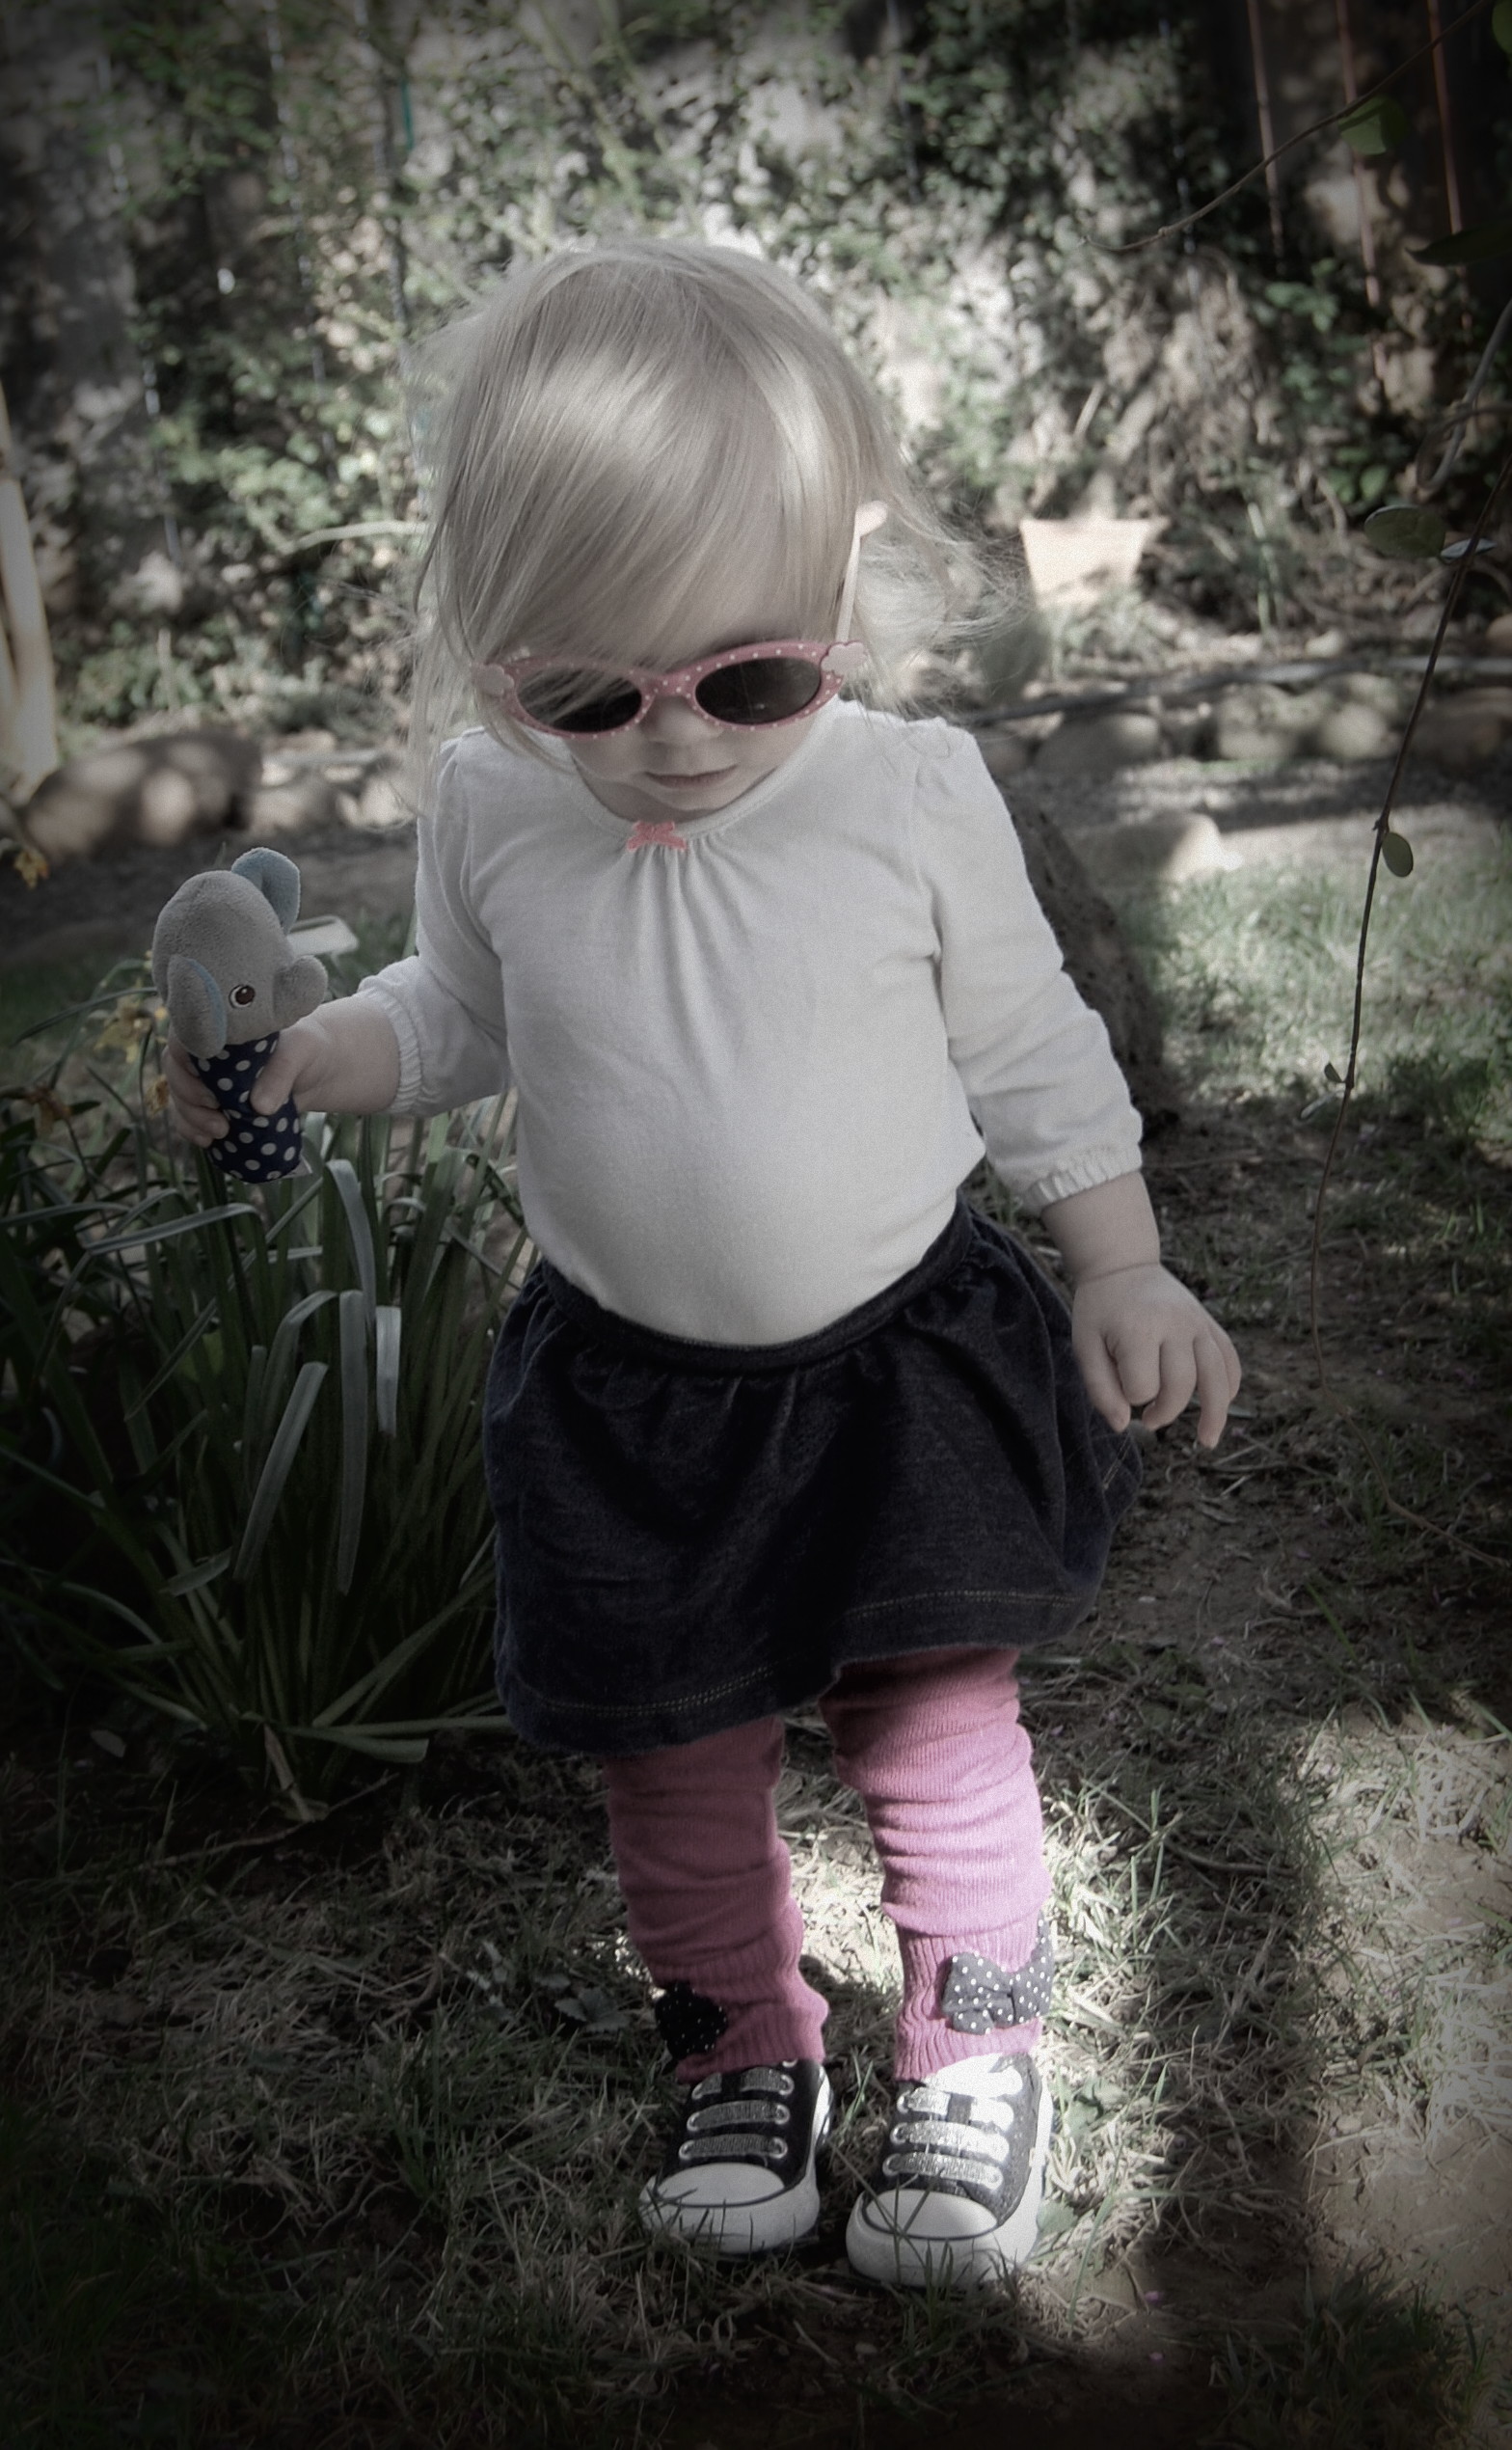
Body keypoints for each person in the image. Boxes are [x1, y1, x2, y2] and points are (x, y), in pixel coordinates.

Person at [166, 237, 1239, 2289]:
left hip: (897, 1360)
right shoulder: (494, 803)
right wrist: (319, 1052)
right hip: (627, 1390)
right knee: (668, 1760)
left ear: (838, 586)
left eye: (749, 679)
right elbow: (456, 1012)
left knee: (933, 1727)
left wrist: (1121, 1263)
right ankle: (743, 2051)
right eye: (587, 691)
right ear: (496, 653)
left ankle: (974, 2053)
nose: (669, 740)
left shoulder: (906, 793)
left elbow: (1028, 1043)